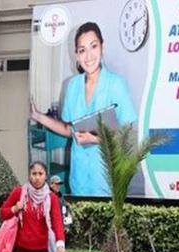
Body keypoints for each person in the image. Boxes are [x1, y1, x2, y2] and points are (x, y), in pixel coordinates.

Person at [30, 22, 137, 197]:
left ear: (102, 47)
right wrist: (39, 116)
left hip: (107, 182)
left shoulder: (116, 84)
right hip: (79, 180)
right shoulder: (72, 86)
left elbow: (127, 135)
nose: (88, 56)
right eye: (82, 50)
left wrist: (95, 139)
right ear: (77, 55)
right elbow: (68, 130)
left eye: (93, 46)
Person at [45, 175, 72, 252]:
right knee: (53, 250)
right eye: (56, 184)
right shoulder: (47, 196)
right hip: (48, 227)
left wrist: (67, 225)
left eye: (59, 184)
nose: (58, 186)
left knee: (53, 250)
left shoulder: (61, 198)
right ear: (51, 184)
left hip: (58, 227)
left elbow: (66, 213)